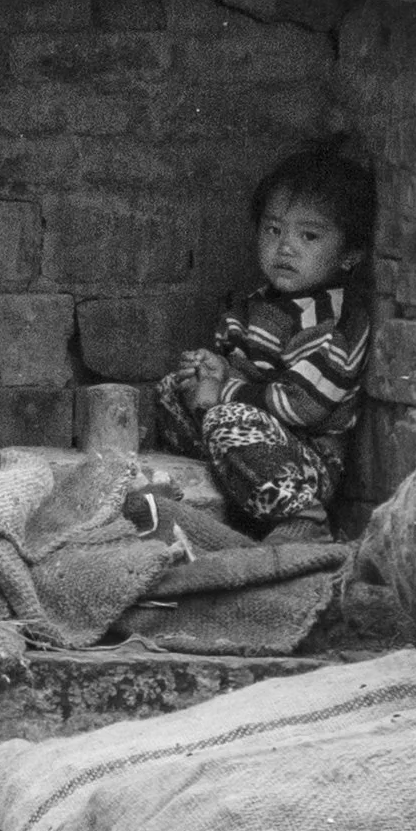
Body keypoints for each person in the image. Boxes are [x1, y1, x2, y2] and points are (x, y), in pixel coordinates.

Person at [151, 145, 374, 539]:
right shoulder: (256, 304)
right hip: (249, 441)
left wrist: (225, 389)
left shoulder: (332, 321)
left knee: (226, 418)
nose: (285, 247)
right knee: (171, 390)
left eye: (309, 235)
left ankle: (305, 518)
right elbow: (232, 368)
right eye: (273, 229)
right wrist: (206, 370)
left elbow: (301, 406)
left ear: (350, 254)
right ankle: (230, 492)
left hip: (304, 463)